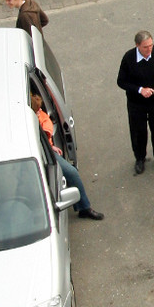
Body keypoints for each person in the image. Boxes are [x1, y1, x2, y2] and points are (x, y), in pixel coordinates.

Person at [30, 92, 103, 220]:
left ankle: (84, 207)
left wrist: (49, 146)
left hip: (45, 150)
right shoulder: (29, 122)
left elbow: (44, 134)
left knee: (71, 172)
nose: (40, 112)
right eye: (37, 111)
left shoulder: (39, 116)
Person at [116, 30, 154, 174]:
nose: (149, 50)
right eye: (145, 47)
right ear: (137, 46)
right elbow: (121, 81)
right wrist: (140, 89)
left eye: (151, 46)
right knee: (138, 132)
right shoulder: (129, 58)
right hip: (136, 104)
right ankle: (140, 158)